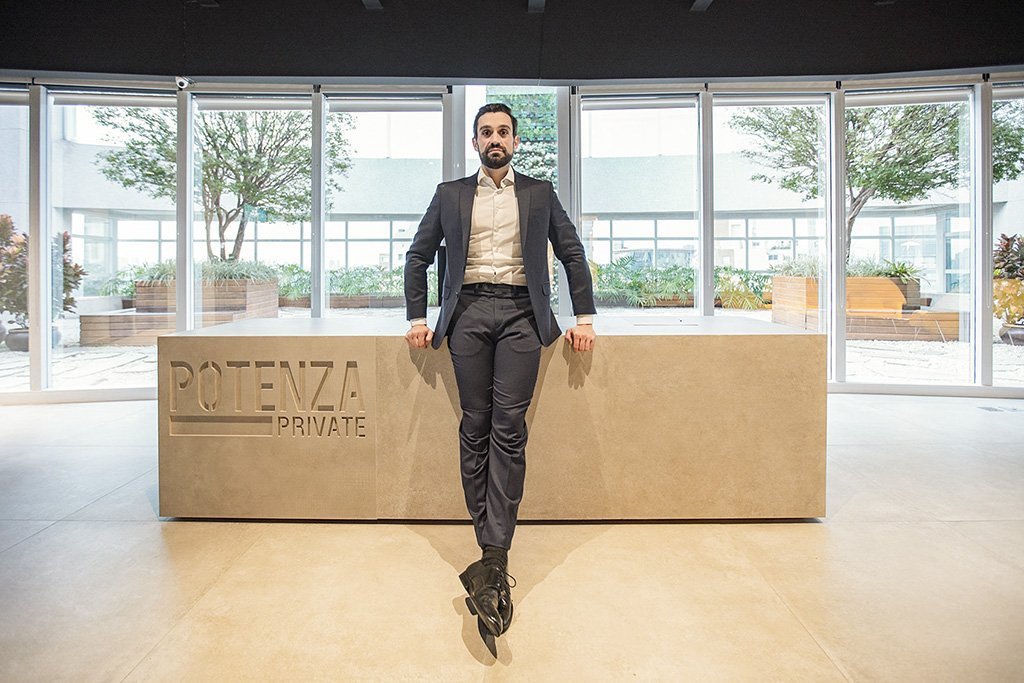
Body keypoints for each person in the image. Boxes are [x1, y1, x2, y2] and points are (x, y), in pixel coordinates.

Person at [404, 103, 596, 637]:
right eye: (486, 132)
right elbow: (417, 256)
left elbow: (571, 253)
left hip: (520, 315)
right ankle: (491, 555)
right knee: (475, 425)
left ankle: (493, 555)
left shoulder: (539, 193)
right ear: (475, 143)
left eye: (503, 132)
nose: (495, 139)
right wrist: (417, 318)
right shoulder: (450, 194)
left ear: (515, 141)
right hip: (466, 312)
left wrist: (584, 318)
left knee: (508, 429)